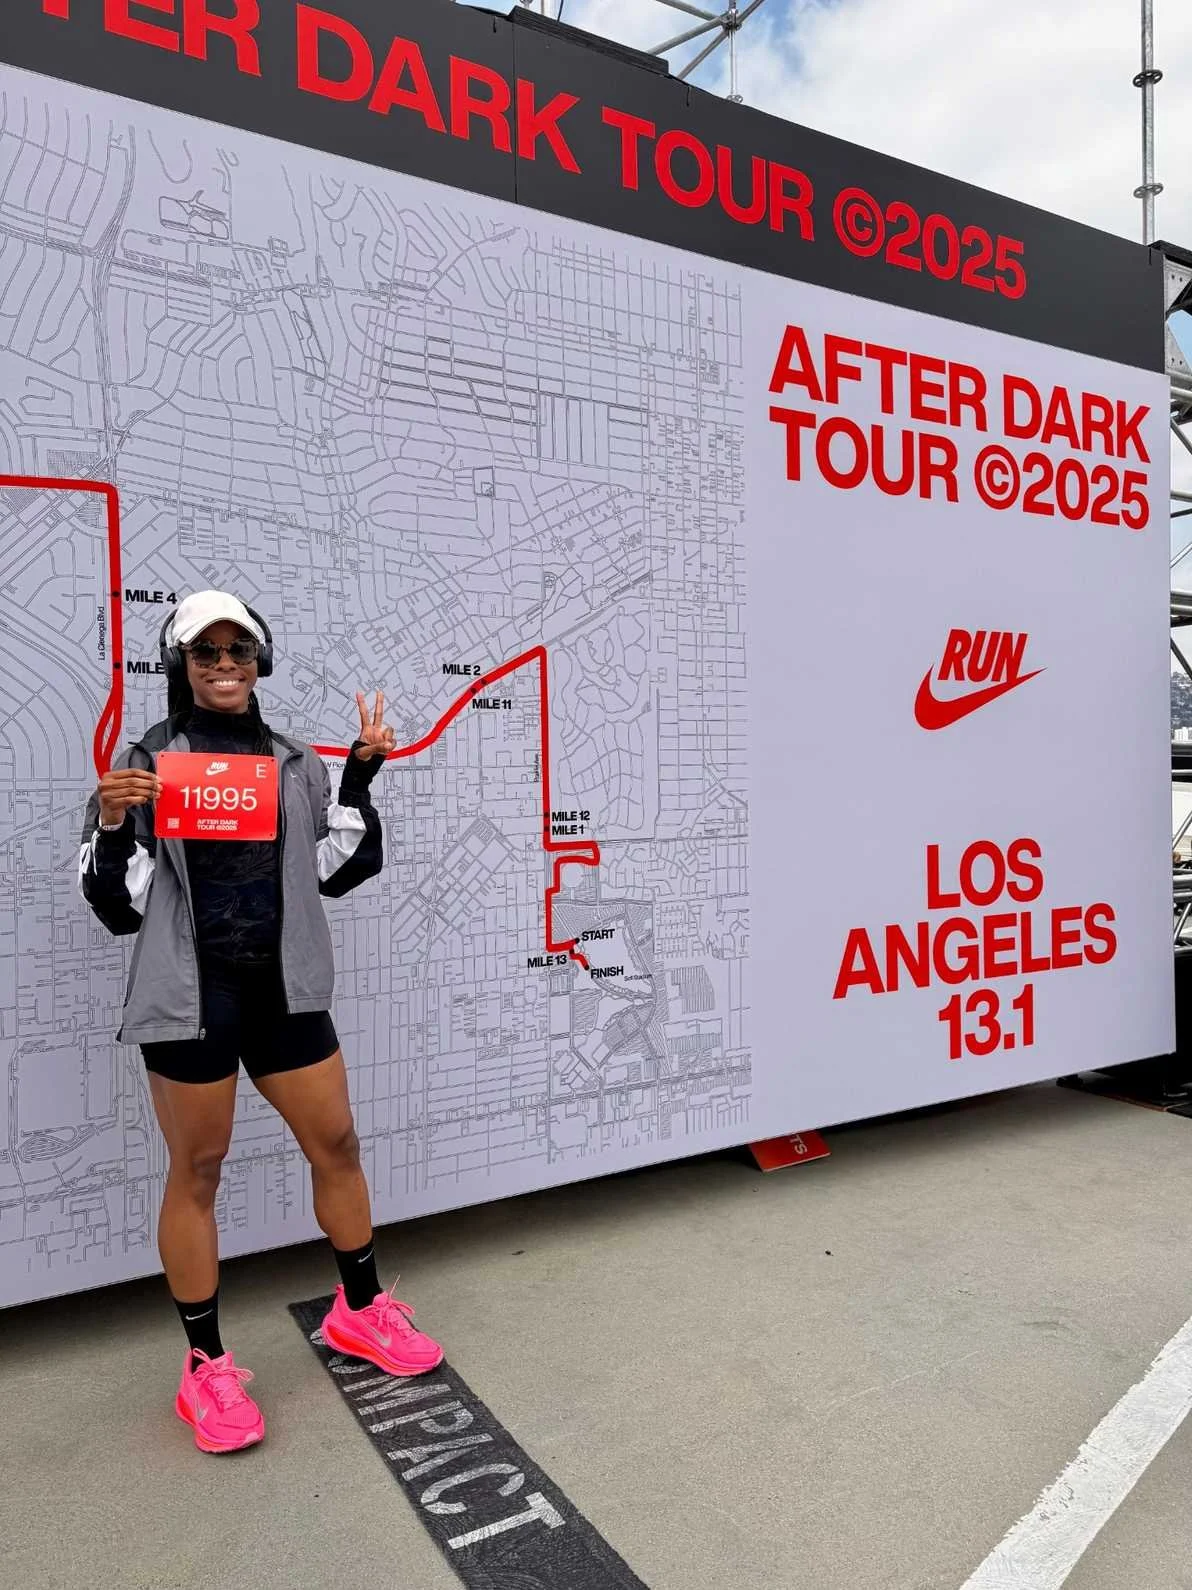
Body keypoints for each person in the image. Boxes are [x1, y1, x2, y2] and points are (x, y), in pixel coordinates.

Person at [79, 590, 442, 1455]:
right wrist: (114, 821)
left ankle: (359, 1311)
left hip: (283, 988)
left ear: (259, 661)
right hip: (191, 997)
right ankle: (204, 1366)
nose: (223, 665)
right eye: (205, 652)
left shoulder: (292, 761)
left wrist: (359, 778)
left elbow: (335, 870)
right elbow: (119, 908)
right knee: (198, 1171)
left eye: (238, 650)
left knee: (338, 1144)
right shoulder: (146, 762)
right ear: (183, 665)